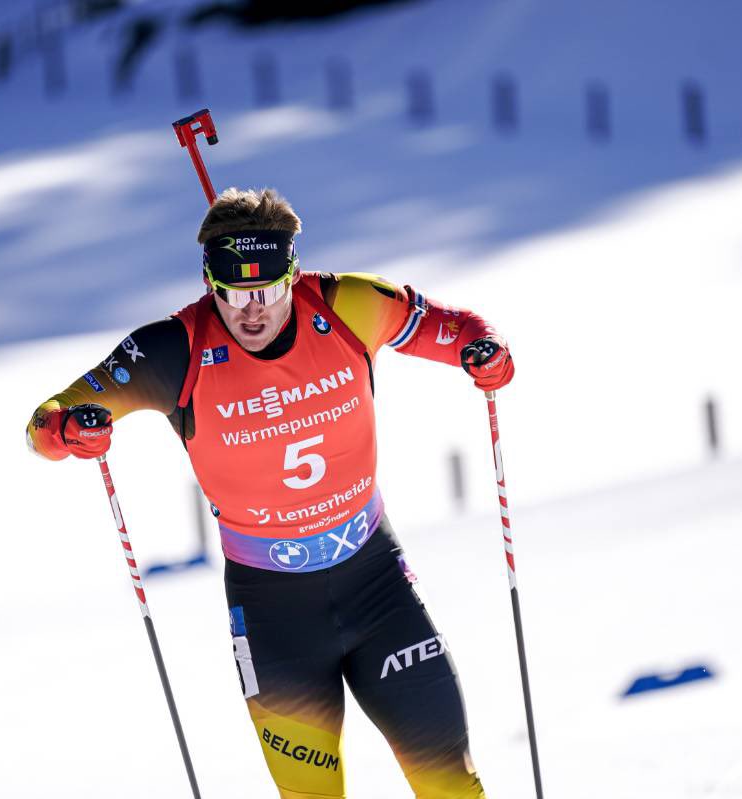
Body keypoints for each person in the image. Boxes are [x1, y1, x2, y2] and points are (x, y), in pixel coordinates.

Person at [26, 188, 514, 799]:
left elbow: (453, 328)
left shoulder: (349, 305)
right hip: (273, 614)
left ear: (294, 274)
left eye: (267, 291)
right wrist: (69, 429)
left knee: (452, 786)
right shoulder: (174, 349)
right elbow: (46, 423)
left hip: (377, 586)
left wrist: (484, 352)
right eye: (231, 294)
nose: (250, 311)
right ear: (210, 284)